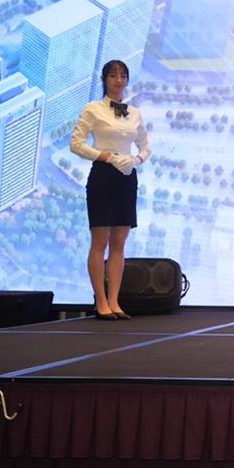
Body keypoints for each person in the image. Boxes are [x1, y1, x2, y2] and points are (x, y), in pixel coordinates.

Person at [69, 59, 151, 320]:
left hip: (127, 177)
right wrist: (105, 156)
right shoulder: (93, 109)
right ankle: (101, 302)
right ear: (104, 79)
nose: (119, 80)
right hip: (103, 175)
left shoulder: (134, 112)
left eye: (123, 76)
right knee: (100, 241)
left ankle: (114, 301)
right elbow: (76, 144)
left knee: (119, 242)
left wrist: (136, 159)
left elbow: (146, 146)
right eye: (113, 75)